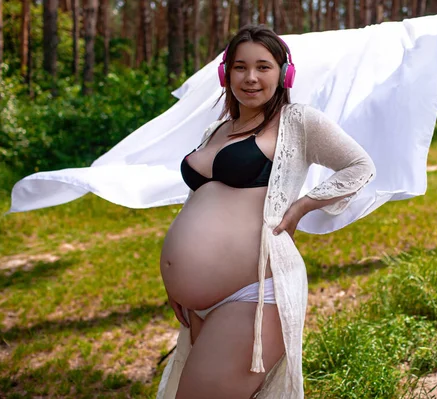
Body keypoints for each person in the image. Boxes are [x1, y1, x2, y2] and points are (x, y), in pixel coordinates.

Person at [158, 25, 375, 399]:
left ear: (284, 73)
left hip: (254, 295)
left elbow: (360, 165)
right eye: (240, 67)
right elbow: (204, 201)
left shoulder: (297, 122)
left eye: (263, 66)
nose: (251, 77)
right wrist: (178, 278)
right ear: (226, 73)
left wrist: (302, 206)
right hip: (198, 302)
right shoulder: (218, 129)